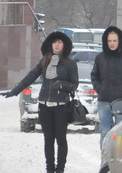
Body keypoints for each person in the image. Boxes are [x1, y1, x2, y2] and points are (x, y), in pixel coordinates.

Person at [5, 31, 79, 173]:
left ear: (64, 45)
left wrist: (62, 85)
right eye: (54, 42)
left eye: (60, 42)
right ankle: (50, 169)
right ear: (50, 44)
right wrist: (15, 90)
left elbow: (75, 84)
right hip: (44, 106)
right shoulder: (45, 60)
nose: (56, 45)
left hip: (61, 107)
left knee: (61, 140)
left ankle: (60, 169)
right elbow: (31, 76)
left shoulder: (70, 63)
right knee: (48, 139)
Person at [91, 26, 122, 147]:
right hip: (104, 100)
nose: (112, 43)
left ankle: (119, 160)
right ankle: (105, 161)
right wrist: (100, 89)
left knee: (121, 132)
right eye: (109, 41)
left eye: (114, 40)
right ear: (105, 42)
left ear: (119, 41)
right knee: (104, 132)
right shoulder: (100, 58)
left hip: (121, 101)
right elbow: (94, 76)